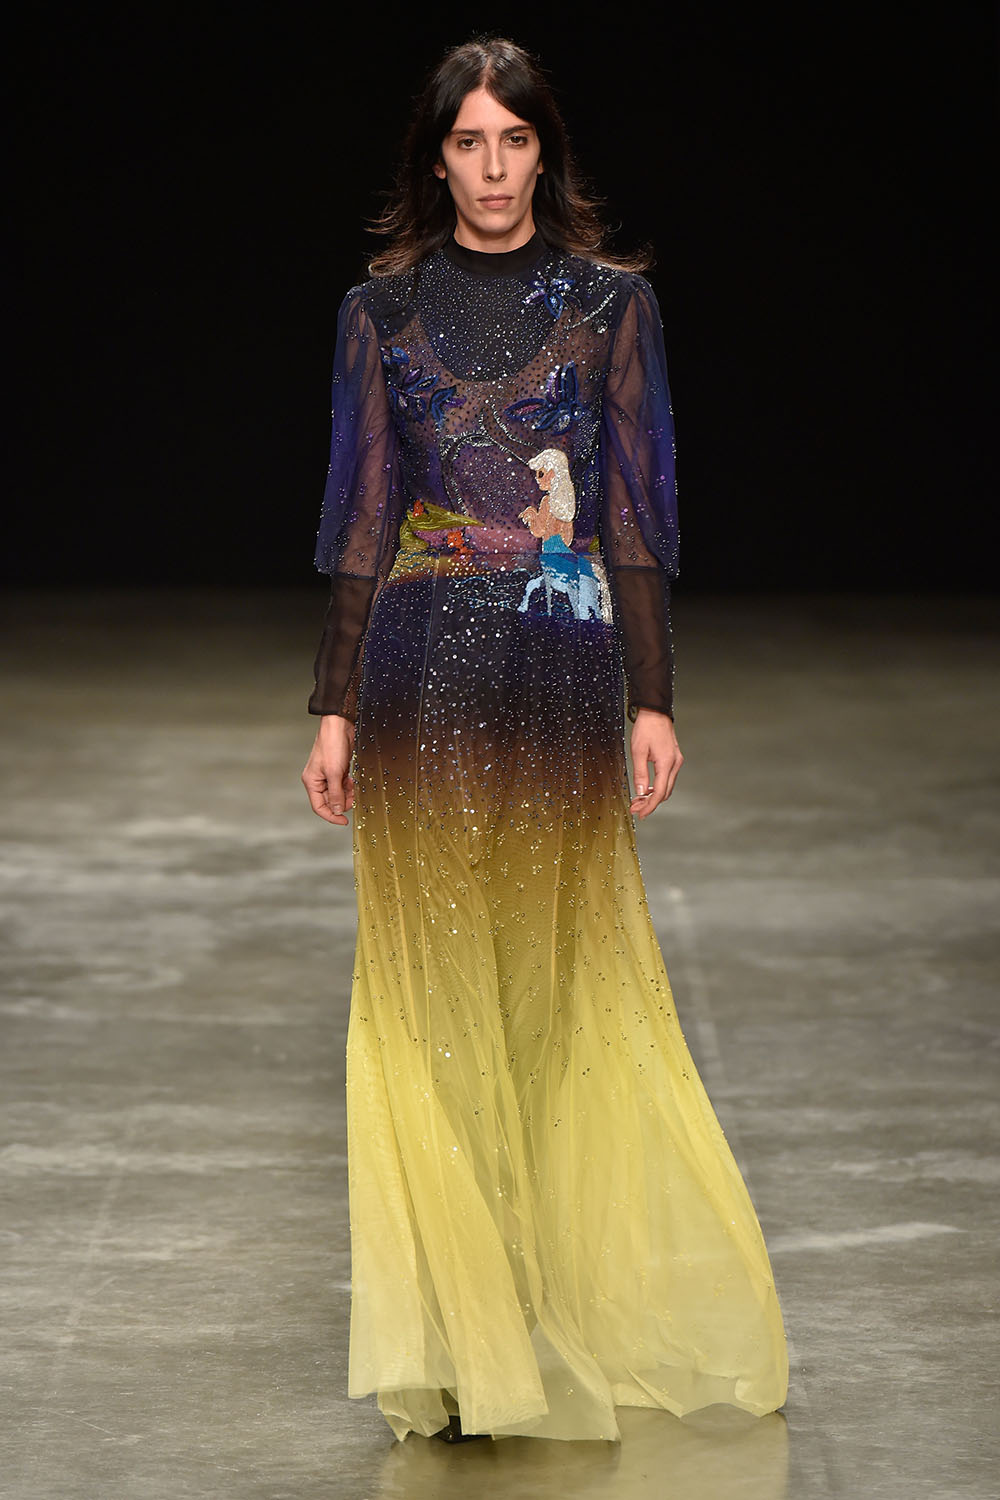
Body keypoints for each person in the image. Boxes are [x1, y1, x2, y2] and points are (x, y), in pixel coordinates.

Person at [302, 36, 788, 1445]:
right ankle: (468, 1338)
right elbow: (363, 518)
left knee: (553, 992)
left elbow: (631, 515)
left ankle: (541, 1315)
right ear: (437, 158)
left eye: (516, 140)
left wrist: (654, 696)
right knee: (431, 996)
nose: (495, 167)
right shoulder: (381, 311)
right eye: (470, 142)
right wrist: (333, 704)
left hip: (560, 676)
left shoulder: (609, 304)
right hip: (418, 676)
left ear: (544, 153)